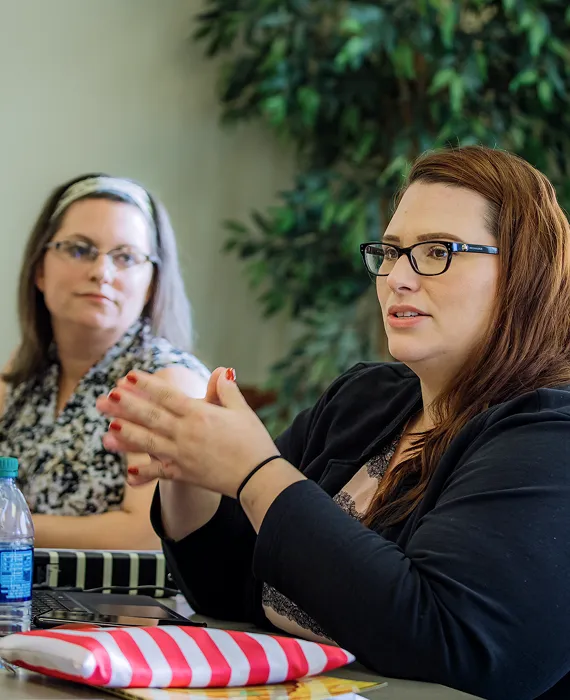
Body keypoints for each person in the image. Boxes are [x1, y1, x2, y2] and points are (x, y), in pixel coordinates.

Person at [97, 146, 570, 700]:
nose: (398, 278)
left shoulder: (550, 433)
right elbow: (231, 594)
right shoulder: (361, 399)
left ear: (523, 273)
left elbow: (456, 643)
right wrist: (189, 469)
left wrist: (256, 474)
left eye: (437, 251)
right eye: (391, 252)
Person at [0, 174, 209, 550]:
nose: (102, 272)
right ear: (40, 270)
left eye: (126, 257)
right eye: (80, 250)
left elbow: (148, 536)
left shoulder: (166, 380)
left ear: (150, 284)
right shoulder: (25, 369)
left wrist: (10, 525)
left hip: (126, 607)